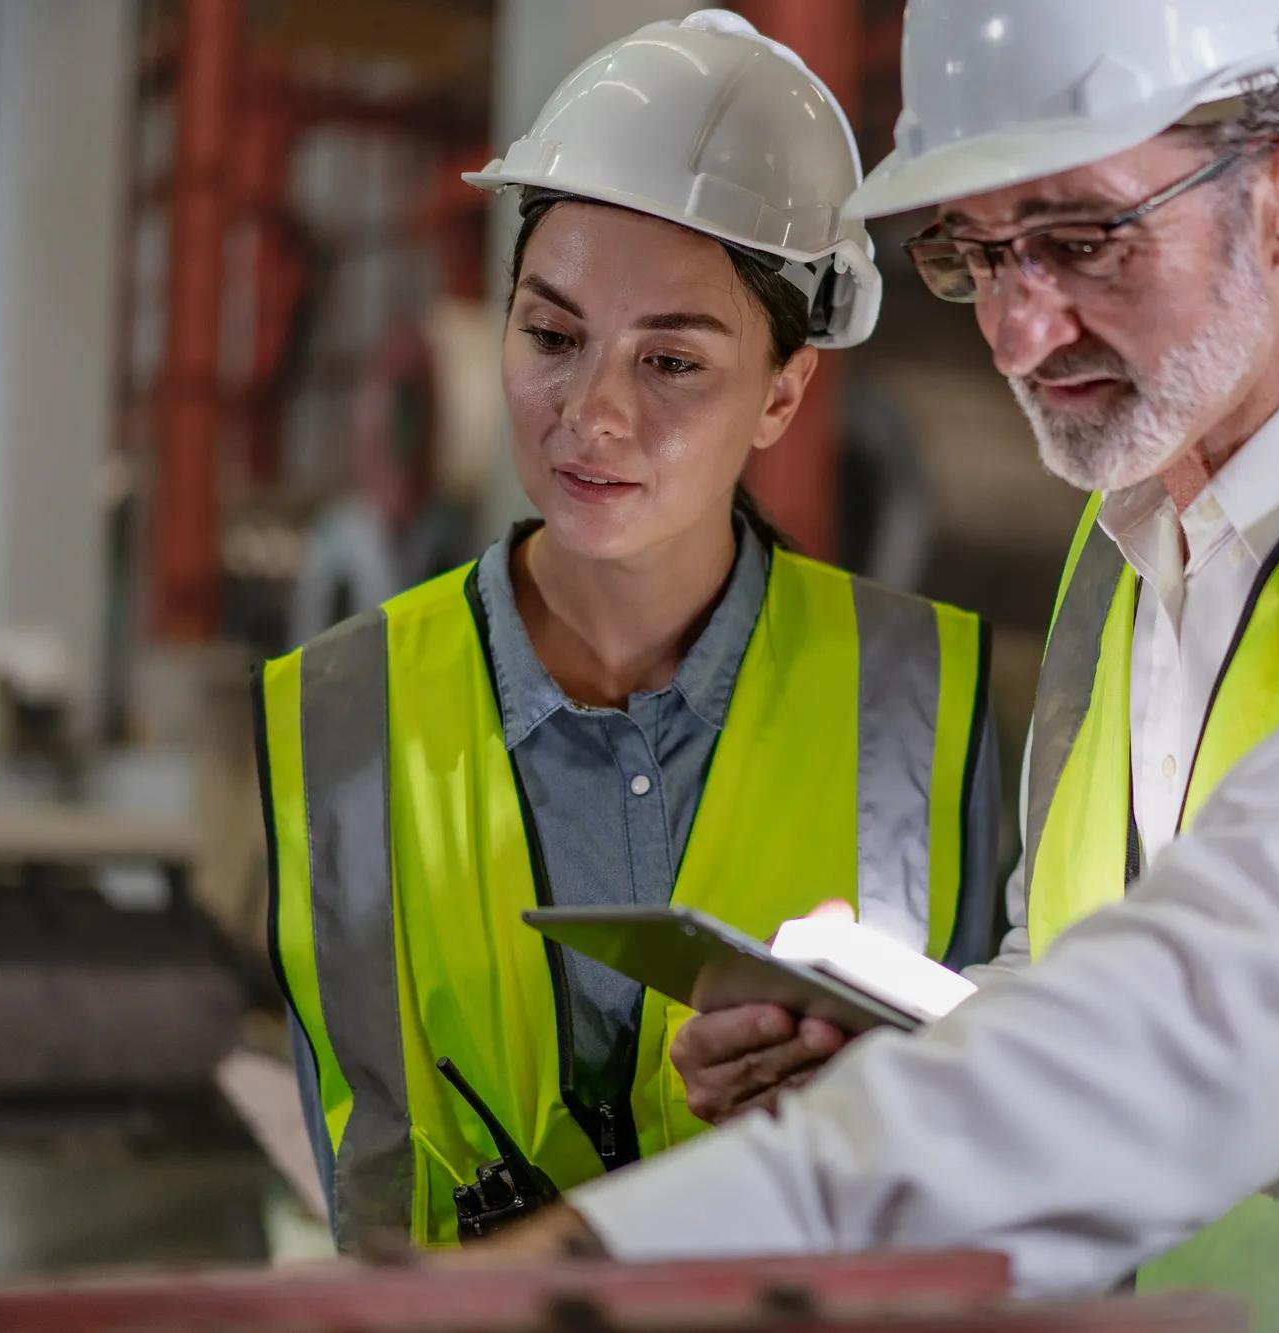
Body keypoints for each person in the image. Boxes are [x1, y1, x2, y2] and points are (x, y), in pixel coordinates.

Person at [471, 0, 1279, 1325]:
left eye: (1082, 240)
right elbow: (1083, 978)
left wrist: (596, 1265)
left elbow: (1187, 1022)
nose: (1019, 333)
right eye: (977, 256)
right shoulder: (1130, 557)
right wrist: (890, 1059)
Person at [254, 9, 1001, 1252]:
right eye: (551, 336)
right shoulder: (339, 707)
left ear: (781, 392)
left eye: (670, 364)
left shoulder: (925, 695)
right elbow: (370, 1169)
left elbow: (983, 1123)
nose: (589, 416)